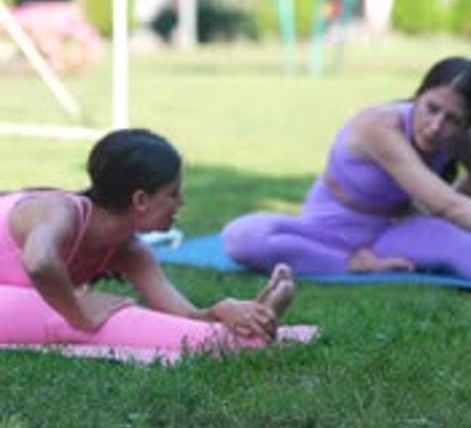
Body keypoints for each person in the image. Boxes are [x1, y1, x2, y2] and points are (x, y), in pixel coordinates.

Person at [0, 128, 299, 363]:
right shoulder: (59, 212)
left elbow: (184, 315)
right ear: (140, 200)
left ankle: (246, 333)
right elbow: (39, 261)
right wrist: (79, 312)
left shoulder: (129, 251)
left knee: (80, 311)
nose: (181, 202)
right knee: (76, 318)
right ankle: (237, 343)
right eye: (172, 193)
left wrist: (225, 310)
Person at [222, 56, 471, 282]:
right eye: (431, 108)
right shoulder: (379, 127)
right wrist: (441, 214)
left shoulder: (459, 138)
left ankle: (381, 257)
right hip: (326, 231)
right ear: (417, 96)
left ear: (467, 124)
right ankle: (355, 265)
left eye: (453, 119)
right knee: (243, 237)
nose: (436, 126)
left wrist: (432, 221)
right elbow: (448, 205)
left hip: (394, 232)